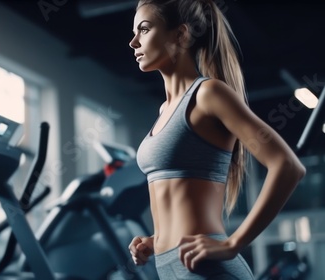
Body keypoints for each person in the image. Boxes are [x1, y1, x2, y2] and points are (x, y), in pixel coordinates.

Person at [127, 0, 306, 279]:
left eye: (144, 29)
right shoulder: (164, 111)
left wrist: (233, 243)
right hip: (169, 267)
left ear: (180, 35)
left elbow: (288, 166)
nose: (133, 42)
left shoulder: (208, 94)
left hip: (208, 270)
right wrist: (157, 240)